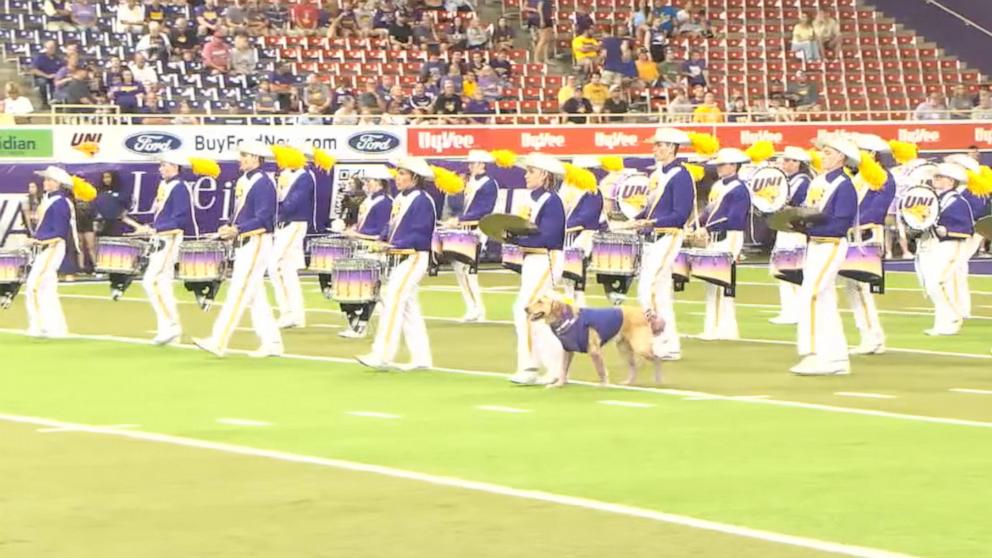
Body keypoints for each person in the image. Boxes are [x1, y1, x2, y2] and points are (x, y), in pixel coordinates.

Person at [194, 141, 283, 358]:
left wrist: (237, 229)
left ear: (256, 158)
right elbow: (243, 213)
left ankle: (219, 340)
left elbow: (264, 218)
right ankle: (272, 342)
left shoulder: (263, 182)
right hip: (246, 240)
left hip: (257, 240)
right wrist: (230, 229)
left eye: (245, 155)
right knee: (256, 297)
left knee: (238, 292)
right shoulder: (244, 180)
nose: (240, 159)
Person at [356, 157, 437, 372]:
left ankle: (382, 354)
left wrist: (392, 244)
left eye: (402, 174)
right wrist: (381, 239)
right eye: (398, 173)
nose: (397, 177)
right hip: (402, 256)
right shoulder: (401, 198)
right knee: (409, 307)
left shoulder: (422, 199)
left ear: (415, 177)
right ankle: (421, 357)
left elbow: (420, 232)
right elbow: (391, 225)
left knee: (392, 301)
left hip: (414, 256)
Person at [789, 136, 859, 375]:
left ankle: (814, 353)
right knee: (825, 299)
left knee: (810, 294)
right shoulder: (818, 181)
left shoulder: (845, 185)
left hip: (831, 244)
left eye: (828, 153)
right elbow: (808, 211)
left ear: (841, 157)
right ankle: (837, 357)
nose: (823, 156)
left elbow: (840, 223)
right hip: (815, 244)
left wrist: (808, 227)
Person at [632, 128, 694, 360]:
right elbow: (652, 208)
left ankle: (660, 341)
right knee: (661, 293)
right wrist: (637, 219)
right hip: (654, 237)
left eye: (659, 145)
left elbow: (680, 214)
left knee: (647, 289)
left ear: (670, 147)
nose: (654, 148)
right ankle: (669, 343)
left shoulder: (680, 175)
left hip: (668, 236)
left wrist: (650, 222)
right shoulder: (659, 174)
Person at [506, 153, 567, 385]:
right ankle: (552, 368)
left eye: (530, 171)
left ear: (543, 175)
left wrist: (518, 240)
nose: (526, 175)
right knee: (536, 315)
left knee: (529, 310)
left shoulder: (551, 200)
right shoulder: (531, 199)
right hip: (532, 260)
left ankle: (532, 367)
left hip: (546, 258)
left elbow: (549, 236)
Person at [128, 153, 201, 345]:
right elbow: (164, 214)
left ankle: (171, 325)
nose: (161, 168)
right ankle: (168, 329)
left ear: (176, 166)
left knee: (150, 281)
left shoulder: (180, 187)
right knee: (163, 283)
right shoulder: (165, 185)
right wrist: (151, 227)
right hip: (162, 237)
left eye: (164, 164)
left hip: (171, 237)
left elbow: (181, 218)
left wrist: (155, 228)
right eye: (160, 165)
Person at [843, 134, 896, 355]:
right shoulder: (860, 177)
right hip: (854, 235)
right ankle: (872, 335)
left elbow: (874, 211)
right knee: (855, 289)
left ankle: (871, 337)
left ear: (871, 154)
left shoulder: (881, 177)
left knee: (860, 288)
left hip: (865, 237)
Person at [697, 148, 751, 340]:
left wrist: (707, 228)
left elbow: (734, 219)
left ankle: (724, 329)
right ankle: (713, 327)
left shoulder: (739, 189)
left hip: (729, 237)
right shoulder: (719, 186)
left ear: (734, 166)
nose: (718, 168)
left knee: (722, 283)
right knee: (712, 284)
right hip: (716, 237)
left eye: (722, 164)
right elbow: (709, 212)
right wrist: (697, 224)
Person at [916, 162, 975, 336]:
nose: (935, 179)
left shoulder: (958, 202)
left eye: (940, 177)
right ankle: (942, 323)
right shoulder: (933, 199)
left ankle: (954, 317)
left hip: (950, 245)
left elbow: (966, 228)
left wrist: (947, 231)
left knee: (937, 283)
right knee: (933, 284)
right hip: (933, 245)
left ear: (951, 181)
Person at [339, 166, 393, 339]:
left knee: (370, 289)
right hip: (362, 246)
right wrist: (353, 230)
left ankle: (361, 325)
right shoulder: (369, 200)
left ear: (379, 183)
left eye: (369, 181)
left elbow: (381, 231)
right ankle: (359, 323)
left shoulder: (385, 202)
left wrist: (357, 234)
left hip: (373, 248)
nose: (366, 184)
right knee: (362, 289)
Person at [444, 150, 498, 322]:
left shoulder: (489, 184)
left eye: (474, 163)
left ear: (482, 164)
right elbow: (461, 205)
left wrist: (460, 219)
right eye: (470, 163)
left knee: (468, 269)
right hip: (464, 228)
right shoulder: (469, 182)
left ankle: (477, 308)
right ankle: (473, 307)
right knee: (460, 270)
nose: (470, 166)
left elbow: (484, 209)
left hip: (477, 229)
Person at [268, 144, 318, 330]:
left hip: (294, 223)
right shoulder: (287, 174)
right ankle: (296, 314)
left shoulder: (304, 176)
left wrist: (276, 208)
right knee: (288, 270)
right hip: (284, 223)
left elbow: (293, 202)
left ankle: (288, 312)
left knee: (275, 266)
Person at [24, 167, 77, 339]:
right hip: (47, 247)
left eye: (49, 179)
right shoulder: (48, 199)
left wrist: (39, 241)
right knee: (46, 288)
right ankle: (56, 327)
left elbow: (60, 231)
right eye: (45, 179)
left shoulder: (60, 202)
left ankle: (41, 325)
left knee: (34, 286)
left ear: (58, 183)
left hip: (53, 247)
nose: (45, 182)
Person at [769, 146, 812, 325]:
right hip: (786, 227)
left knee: (791, 271)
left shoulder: (802, 180)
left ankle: (795, 311)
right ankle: (788, 310)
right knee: (783, 269)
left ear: (798, 163)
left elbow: (790, 203)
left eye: (789, 161)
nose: (785, 164)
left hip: (794, 229)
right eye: (784, 160)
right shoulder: (789, 180)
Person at [945, 153, 989, 319]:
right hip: (955, 233)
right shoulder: (956, 189)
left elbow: (976, 213)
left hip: (969, 233)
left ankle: (960, 308)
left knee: (957, 267)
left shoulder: (975, 189)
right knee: (957, 268)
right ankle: (959, 306)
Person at [562, 156, 605, 308]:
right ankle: (569, 298)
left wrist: (567, 225)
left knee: (576, 266)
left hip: (584, 234)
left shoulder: (593, 191)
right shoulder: (567, 187)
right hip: (567, 233)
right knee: (566, 270)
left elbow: (587, 215)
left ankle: (579, 302)